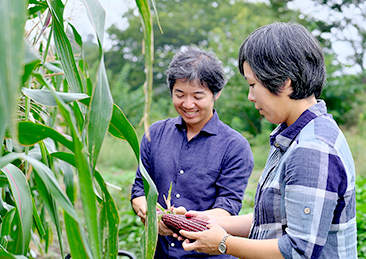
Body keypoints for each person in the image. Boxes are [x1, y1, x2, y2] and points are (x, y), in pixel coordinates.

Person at [179, 22, 357, 258]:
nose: (250, 96)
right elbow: (276, 218)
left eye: (253, 85)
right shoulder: (296, 134)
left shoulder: (311, 148)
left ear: (284, 81)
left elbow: (298, 251)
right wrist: (209, 220)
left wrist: (223, 243)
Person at [131, 46, 254, 258]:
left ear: (217, 93)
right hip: (158, 253)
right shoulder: (155, 133)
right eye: (180, 95)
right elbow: (139, 190)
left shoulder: (235, 146)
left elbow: (227, 207)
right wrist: (149, 214)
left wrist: (179, 221)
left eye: (198, 96)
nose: (188, 104)